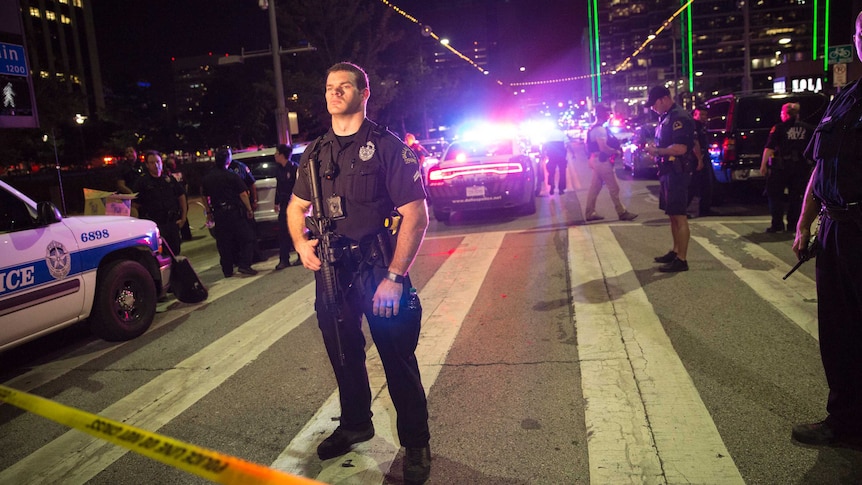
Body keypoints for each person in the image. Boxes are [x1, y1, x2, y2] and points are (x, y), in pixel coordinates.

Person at [287, 62, 431, 483]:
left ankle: (416, 443)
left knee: (397, 358)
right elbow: (297, 207)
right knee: (343, 353)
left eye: (343, 86)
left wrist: (396, 276)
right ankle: (355, 424)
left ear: (364, 93)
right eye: (329, 87)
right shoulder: (315, 153)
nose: (333, 93)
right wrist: (300, 244)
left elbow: (416, 217)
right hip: (332, 270)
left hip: (378, 269)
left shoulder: (387, 147)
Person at [790, 10, 862, 447]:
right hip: (837, 230)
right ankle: (846, 419)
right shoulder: (845, 97)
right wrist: (803, 223)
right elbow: (820, 166)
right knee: (838, 330)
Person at [645, 85, 696, 272]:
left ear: (664, 99)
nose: (652, 108)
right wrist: (657, 151)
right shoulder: (666, 118)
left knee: (680, 216)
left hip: (677, 172)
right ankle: (675, 252)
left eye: (654, 103)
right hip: (667, 171)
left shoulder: (679, 117)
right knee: (673, 215)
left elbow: (681, 148)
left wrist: (657, 150)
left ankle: (682, 259)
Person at [201, 148, 258, 278]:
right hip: (234, 213)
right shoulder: (232, 175)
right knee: (247, 238)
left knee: (223, 243)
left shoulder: (208, 177)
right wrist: (249, 209)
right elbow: (243, 194)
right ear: (228, 159)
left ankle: (227, 270)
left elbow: (204, 195)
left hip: (219, 214)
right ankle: (244, 265)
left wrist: (208, 211)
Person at [760, 102, 813, 233]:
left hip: (781, 167)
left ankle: (777, 224)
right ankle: (792, 224)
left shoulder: (779, 128)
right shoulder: (807, 128)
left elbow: (769, 147)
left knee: (774, 194)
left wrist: (763, 164)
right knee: (796, 196)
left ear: (784, 114)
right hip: (800, 167)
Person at [583, 104, 638, 222]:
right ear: (603, 114)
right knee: (614, 188)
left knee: (595, 188)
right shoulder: (600, 129)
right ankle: (621, 212)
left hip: (596, 159)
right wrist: (616, 152)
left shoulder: (594, 128)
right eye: (607, 113)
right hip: (601, 160)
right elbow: (603, 147)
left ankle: (590, 212)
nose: (609, 115)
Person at [131, 151, 187, 256]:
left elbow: (181, 196)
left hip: (171, 224)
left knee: (175, 253)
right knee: (160, 256)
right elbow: (135, 206)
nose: (156, 165)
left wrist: (183, 218)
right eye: (152, 163)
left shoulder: (169, 180)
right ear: (147, 165)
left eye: (158, 162)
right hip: (154, 226)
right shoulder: (142, 183)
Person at [225, 147, 264, 263]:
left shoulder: (239, 167)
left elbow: (251, 184)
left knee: (250, 233)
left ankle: (255, 256)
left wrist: (254, 201)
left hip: (243, 206)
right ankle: (238, 259)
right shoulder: (221, 169)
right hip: (231, 208)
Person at [273, 144, 300, 270]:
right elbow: (278, 188)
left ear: (282, 155)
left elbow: (299, 187)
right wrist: (276, 202)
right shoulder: (279, 169)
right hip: (284, 204)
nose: (275, 155)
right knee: (283, 232)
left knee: (297, 230)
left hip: (294, 204)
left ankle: (301, 256)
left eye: (277, 153)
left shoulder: (294, 168)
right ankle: (284, 259)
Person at [688, 107, 715, 217]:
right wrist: (699, 159)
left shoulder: (702, 126)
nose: (704, 117)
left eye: (705, 115)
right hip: (696, 158)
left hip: (704, 156)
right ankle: (683, 210)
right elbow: (695, 143)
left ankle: (705, 209)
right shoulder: (694, 125)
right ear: (695, 114)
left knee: (706, 185)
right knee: (693, 185)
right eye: (701, 114)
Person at [542, 128, 570, 195]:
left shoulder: (548, 134)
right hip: (561, 156)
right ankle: (561, 189)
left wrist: (543, 153)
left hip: (552, 156)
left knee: (551, 172)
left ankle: (552, 186)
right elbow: (568, 144)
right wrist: (573, 153)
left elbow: (544, 145)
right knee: (562, 172)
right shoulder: (561, 133)